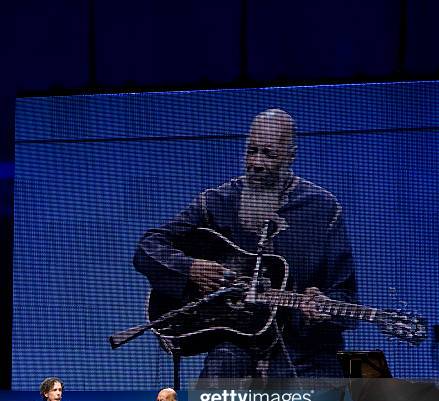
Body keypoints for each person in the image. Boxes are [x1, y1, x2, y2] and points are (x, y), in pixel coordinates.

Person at [133, 108, 356, 382]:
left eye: (269, 154)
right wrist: (189, 268)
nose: (257, 162)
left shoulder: (322, 209)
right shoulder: (216, 202)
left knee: (316, 393)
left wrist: (322, 309)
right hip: (233, 350)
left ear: (290, 155)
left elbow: (346, 297)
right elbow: (148, 247)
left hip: (303, 352)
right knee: (218, 383)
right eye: (251, 151)